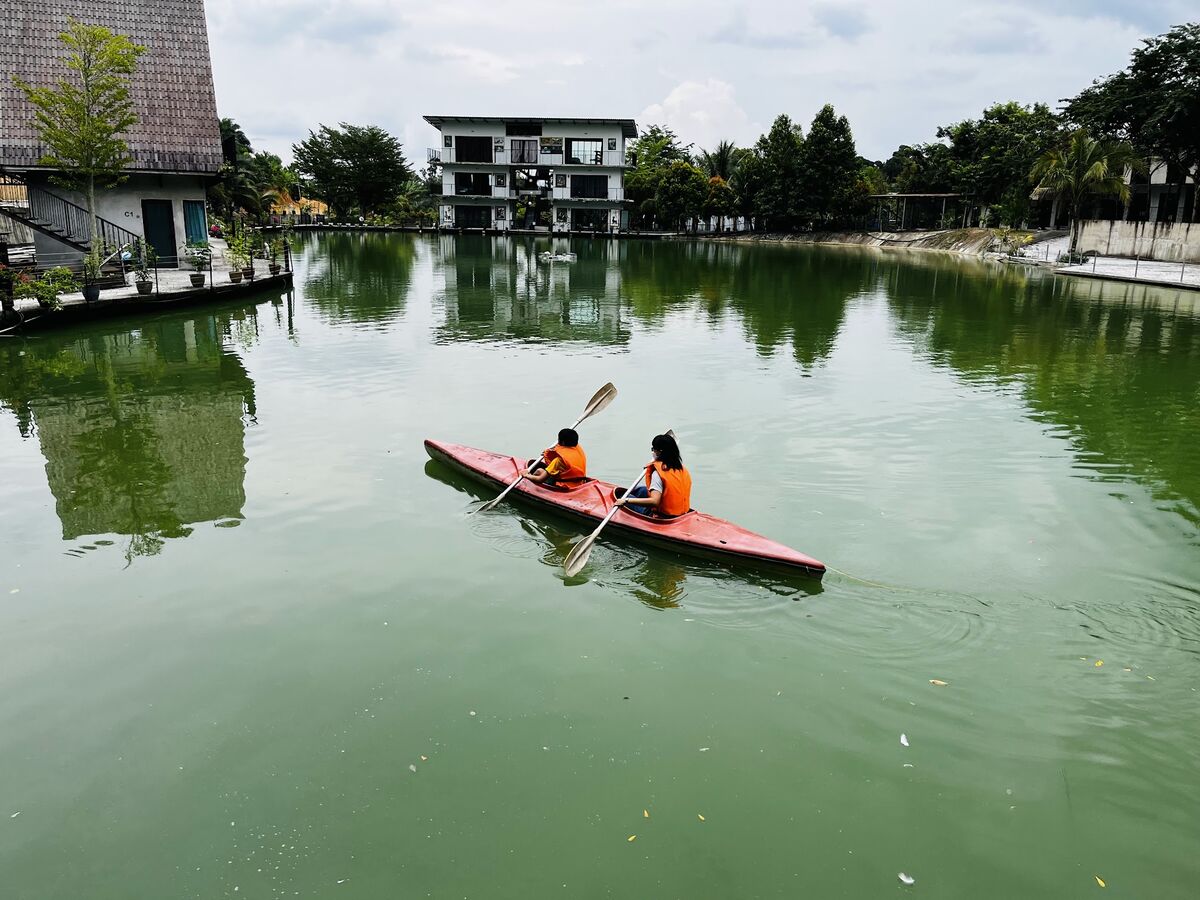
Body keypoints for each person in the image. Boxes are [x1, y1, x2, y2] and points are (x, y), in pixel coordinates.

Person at [615, 433, 692, 518]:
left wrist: (626, 500)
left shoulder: (658, 474)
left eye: (653, 449)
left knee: (622, 496)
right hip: (681, 513)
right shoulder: (683, 470)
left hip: (662, 516)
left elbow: (655, 502)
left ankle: (625, 499)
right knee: (641, 490)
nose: (653, 451)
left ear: (659, 452)